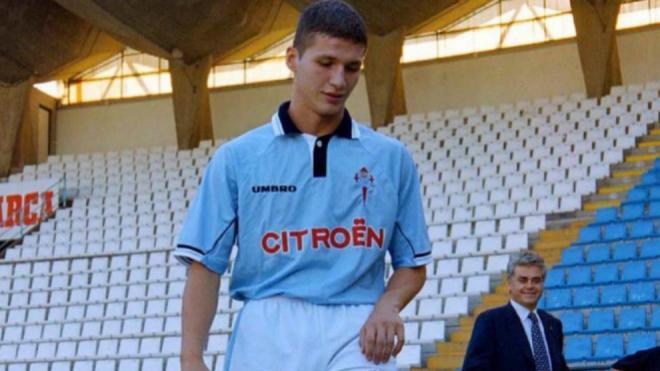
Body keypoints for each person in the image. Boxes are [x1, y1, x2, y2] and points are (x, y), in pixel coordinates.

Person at [173, 1, 431, 370]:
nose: (339, 80)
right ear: (293, 58)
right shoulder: (238, 158)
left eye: (352, 67)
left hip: (357, 327)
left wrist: (388, 305)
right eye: (326, 63)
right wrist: (191, 357)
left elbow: (413, 263)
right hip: (269, 326)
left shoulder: (390, 158)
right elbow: (205, 266)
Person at [462, 251, 569, 371]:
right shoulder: (490, 322)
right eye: (523, 280)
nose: (530, 286)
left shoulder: (553, 325)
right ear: (510, 284)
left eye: (536, 280)